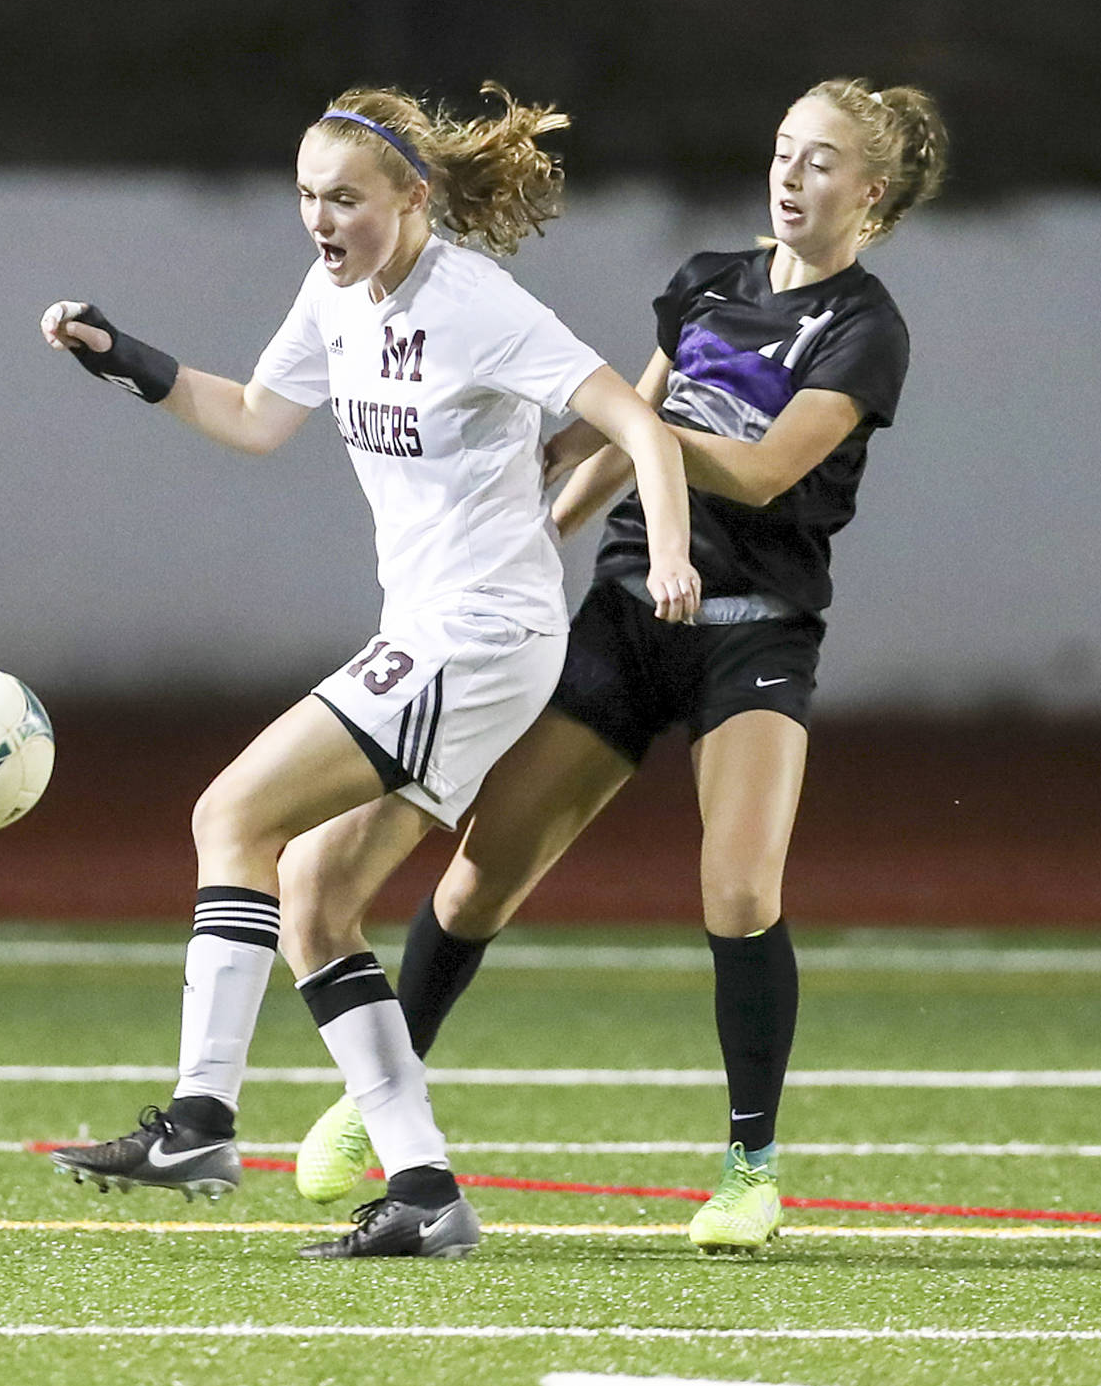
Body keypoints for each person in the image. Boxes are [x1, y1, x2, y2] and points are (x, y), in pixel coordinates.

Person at [39, 82, 701, 1260]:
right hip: (441, 630)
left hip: (481, 632)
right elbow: (250, 415)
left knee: (228, 812)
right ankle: (426, 1194)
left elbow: (638, 425)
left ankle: (199, 1116)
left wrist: (664, 558)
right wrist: (120, 358)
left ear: (410, 197)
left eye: (343, 198)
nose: (320, 219)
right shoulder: (332, 296)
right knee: (315, 900)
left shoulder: (478, 304)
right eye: (305, 196)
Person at [293, 77, 950, 1255]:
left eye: (819, 162)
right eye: (782, 151)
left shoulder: (864, 327)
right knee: (474, 881)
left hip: (752, 630)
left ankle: (749, 1167)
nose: (789, 177)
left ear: (873, 191)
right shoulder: (705, 281)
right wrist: (544, 516)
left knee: (739, 891)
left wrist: (636, 430)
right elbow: (612, 428)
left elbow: (755, 473)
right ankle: (377, 1097)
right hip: (623, 615)